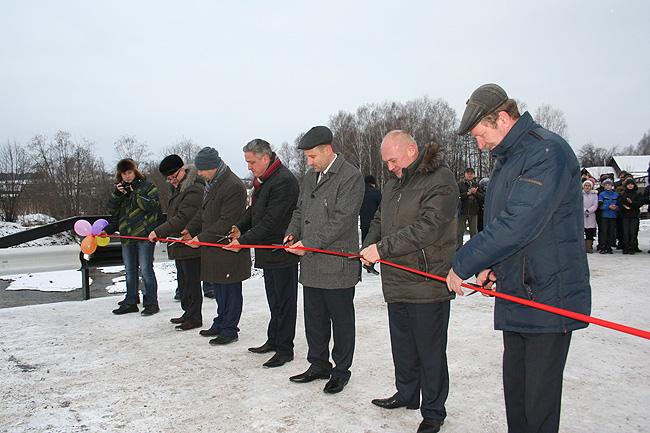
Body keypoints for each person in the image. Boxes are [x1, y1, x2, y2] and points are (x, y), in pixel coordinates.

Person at [447, 83, 592, 433]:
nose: (480, 144)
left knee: (538, 404)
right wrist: (492, 266)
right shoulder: (506, 160)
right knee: (517, 397)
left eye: (482, 134)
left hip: (547, 296)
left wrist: (462, 263)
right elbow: (501, 223)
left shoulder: (547, 153)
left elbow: (518, 225)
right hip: (517, 291)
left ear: (503, 118)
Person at [360, 131, 458, 433]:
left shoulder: (440, 179)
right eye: (386, 162)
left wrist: (383, 249)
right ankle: (406, 392)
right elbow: (379, 219)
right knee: (402, 344)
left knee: (430, 350)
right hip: (396, 278)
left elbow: (428, 227)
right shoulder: (393, 184)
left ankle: (433, 410)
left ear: (411, 150)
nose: (389, 167)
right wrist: (369, 245)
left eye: (393, 160)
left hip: (426, 280)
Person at [284, 125, 364, 394]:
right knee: (314, 319)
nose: (309, 162)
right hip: (311, 263)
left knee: (341, 322)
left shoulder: (351, 177)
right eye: (307, 157)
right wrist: (292, 233)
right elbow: (300, 210)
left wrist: (309, 244)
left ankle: (341, 371)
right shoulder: (310, 177)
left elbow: (341, 221)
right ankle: (318, 364)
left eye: (312, 156)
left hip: (337, 264)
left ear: (327, 150)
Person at [224, 138, 300, 368]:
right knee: (274, 301)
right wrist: (239, 226)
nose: (249, 167)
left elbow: (271, 221)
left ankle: (285, 349)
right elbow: (254, 210)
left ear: (265, 158)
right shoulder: (263, 179)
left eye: (251, 162)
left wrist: (243, 242)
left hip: (281, 251)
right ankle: (274, 340)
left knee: (285, 303)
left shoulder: (284, 181)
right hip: (267, 252)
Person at [185, 147, 251, 345]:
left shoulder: (233, 186)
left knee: (230, 290)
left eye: (201, 169)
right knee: (220, 289)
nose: (198, 173)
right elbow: (203, 212)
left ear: (211, 167)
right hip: (215, 249)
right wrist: (190, 228)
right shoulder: (212, 183)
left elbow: (227, 221)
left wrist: (202, 238)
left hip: (229, 249)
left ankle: (230, 329)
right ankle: (221, 321)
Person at [148, 155, 205, 330]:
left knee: (192, 282)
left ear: (182, 170)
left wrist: (159, 231)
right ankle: (187, 312)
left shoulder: (194, 188)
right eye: (168, 179)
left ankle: (194, 317)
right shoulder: (180, 187)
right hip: (179, 243)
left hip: (190, 243)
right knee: (183, 281)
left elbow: (183, 217)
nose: (171, 181)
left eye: (173, 177)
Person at [105, 159, 162, 316]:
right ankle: (130, 300)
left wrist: (133, 194)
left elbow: (153, 205)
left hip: (144, 235)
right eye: (124, 174)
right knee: (130, 270)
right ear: (120, 175)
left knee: (146, 270)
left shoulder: (147, 186)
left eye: (129, 173)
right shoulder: (120, 190)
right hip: (126, 235)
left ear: (134, 172)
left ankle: (151, 302)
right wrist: (117, 194)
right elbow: (111, 210)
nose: (127, 176)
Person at [456, 167, 484, 249]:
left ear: (473, 175)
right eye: (468, 173)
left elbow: (482, 198)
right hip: (462, 212)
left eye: (471, 173)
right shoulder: (459, 185)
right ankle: (458, 249)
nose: (469, 175)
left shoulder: (476, 185)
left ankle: (474, 248)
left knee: (474, 232)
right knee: (459, 232)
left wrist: (476, 193)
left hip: (474, 212)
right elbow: (456, 196)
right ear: (465, 174)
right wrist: (467, 194)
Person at [359, 174, 382, 275]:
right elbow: (382, 207)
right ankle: (370, 264)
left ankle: (365, 260)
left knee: (365, 243)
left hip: (364, 222)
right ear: (373, 183)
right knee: (374, 244)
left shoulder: (360, 193)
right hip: (375, 223)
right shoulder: (376, 193)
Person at [617, 177, 643, 254]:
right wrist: (624, 206)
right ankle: (626, 247)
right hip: (625, 215)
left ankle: (632, 247)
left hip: (634, 215)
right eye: (628, 185)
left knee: (633, 232)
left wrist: (632, 203)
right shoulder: (623, 193)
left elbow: (640, 203)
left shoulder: (638, 193)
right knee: (625, 232)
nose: (630, 186)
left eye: (631, 184)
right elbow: (620, 203)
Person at [598, 179, 619, 254]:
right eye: (606, 185)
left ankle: (609, 246)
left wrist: (615, 207)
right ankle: (602, 246)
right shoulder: (602, 194)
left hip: (613, 215)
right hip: (605, 215)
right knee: (604, 231)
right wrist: (608, 206)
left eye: (609, 185)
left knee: (611, 231)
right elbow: (600, 205)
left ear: (612, 186)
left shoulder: (616, 195)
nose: (607, 186)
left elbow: (619, 205)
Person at [582, 179, 598, 253]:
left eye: (589, 186)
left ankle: (589, 247)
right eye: (586, 185)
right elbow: (579, 204)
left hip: (591, 215)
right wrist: (584, 210)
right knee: (582, 232)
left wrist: (589, 210)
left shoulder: (594, 195)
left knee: (590, 232)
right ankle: (582, 247)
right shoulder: (580, 194)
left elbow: (595, 205)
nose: (587, 187)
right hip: (582, 215)